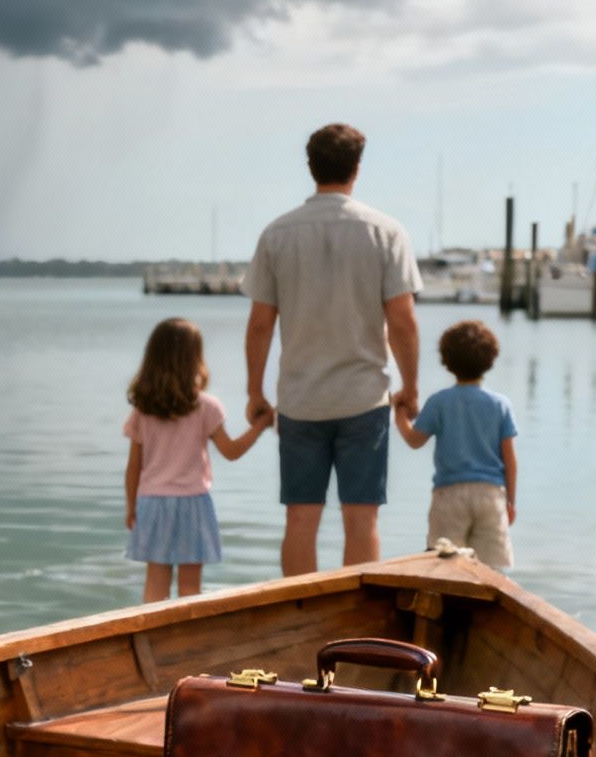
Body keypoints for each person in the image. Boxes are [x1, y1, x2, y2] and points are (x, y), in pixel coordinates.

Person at [242, 123, 423, 576]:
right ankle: (358, 624)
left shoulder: (277, 234)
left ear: (311, 167)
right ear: (356, 168)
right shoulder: (386, 232)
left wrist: (254, 392)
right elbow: (402, 322)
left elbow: (261, 324)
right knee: (361, 518)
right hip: (364, 399)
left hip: (301, 400)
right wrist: (411, 386)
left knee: (300, 518)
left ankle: (301, 617)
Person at [123, 318, 271, 601]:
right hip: (193, 502)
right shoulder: (205, 407)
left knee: (155, 583)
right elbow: (231, 451)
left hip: (153, 502)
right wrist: (259, 427)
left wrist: (132, 506)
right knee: (191, 588)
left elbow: (133, 468)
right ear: (196, 359)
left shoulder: (143, 409)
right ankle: (185, 640)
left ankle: (154, 640)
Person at [393, 320, 520, 570]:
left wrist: (400, 414)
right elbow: (510, 460)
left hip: (449, 495)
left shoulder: (440, 402)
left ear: (446, 361)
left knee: (444, 568)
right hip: (490, 494)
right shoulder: (500, 404)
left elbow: (414, 440)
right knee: (491, 571)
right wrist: (511, 502)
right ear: (490, 359)